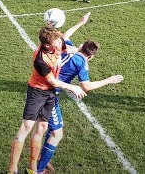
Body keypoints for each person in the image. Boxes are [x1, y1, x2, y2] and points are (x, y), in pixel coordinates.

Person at [7, 25, 87, 174]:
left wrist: (78, 49)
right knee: (26, 127)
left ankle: (33, 168)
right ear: (47, 45)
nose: (60, 41)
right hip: (37, 92)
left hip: (50, 94)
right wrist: (73, 87)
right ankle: (12, 169)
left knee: (42, 128)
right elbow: (53, 82)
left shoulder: (57, 43)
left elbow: (67, 49)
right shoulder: (40, 59)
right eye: (56, 40)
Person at [36, 38, 124, 173]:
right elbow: (86, 86)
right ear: (91, 56)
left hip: (45, 90)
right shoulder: (81, 62)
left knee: (55, 127)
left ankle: (44, 158)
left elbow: (66, 36)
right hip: (47, 95)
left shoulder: (70, 48)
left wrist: (80, 23)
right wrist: (109, 80)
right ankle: (39, 169)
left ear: (82, 46)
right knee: (57, 133)